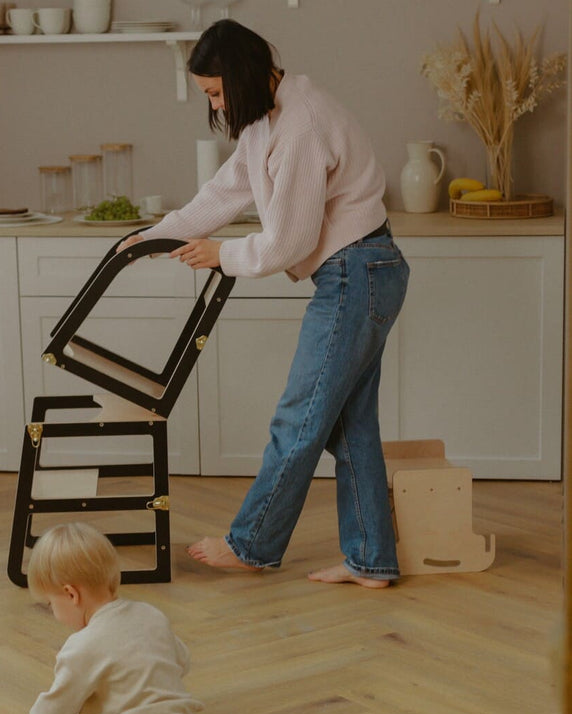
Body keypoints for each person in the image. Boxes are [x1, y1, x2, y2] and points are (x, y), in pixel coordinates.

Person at [117, 20, 410, 589]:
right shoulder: (270, 117)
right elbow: (225, 191)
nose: (217, 104)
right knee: (350, 427)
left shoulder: (300, 124)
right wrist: (157, 236)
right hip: (363, 272)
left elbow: (291, 241)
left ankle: (253, 544)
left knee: (298, 418)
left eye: (216, 92)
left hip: (354, 274)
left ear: (243, 74)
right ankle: (372, 559)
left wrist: (219, 254)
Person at [0, 523, 222, 714]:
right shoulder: (149, 614)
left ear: (71, 594)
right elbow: (181, 661)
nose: (53, 612)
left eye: (51, 603)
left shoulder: (82, 647)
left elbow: (56, 709)